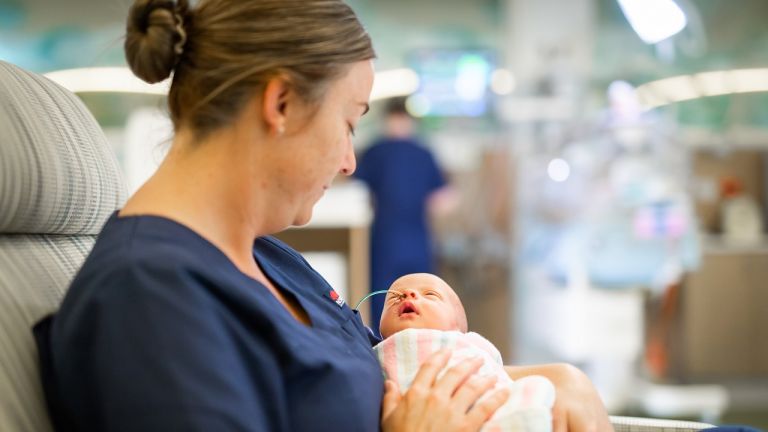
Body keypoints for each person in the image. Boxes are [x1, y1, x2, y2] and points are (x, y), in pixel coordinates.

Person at [32, 0, 613, 431]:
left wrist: (550, 381)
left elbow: (384, 370)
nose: (348, 161)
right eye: (349, 123)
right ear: (280, 104)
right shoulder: (151, 303)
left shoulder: (269, 259)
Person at [376, 273, 556, 431]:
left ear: (457, 327)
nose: (408, 295)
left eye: (430, 294)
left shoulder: (468, 343)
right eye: (394, 298)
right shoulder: (374, 354)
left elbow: (494, 370)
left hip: (483, 408)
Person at [355, 97, 457, 335]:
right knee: (424, 298)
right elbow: (444, 200)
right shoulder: (423, 153)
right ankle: (426, 345)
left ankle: (384, 347)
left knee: (386, 300)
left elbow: (357, 191)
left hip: (385, 238)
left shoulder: (374, 152)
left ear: (387, 119)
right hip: (416, 238)